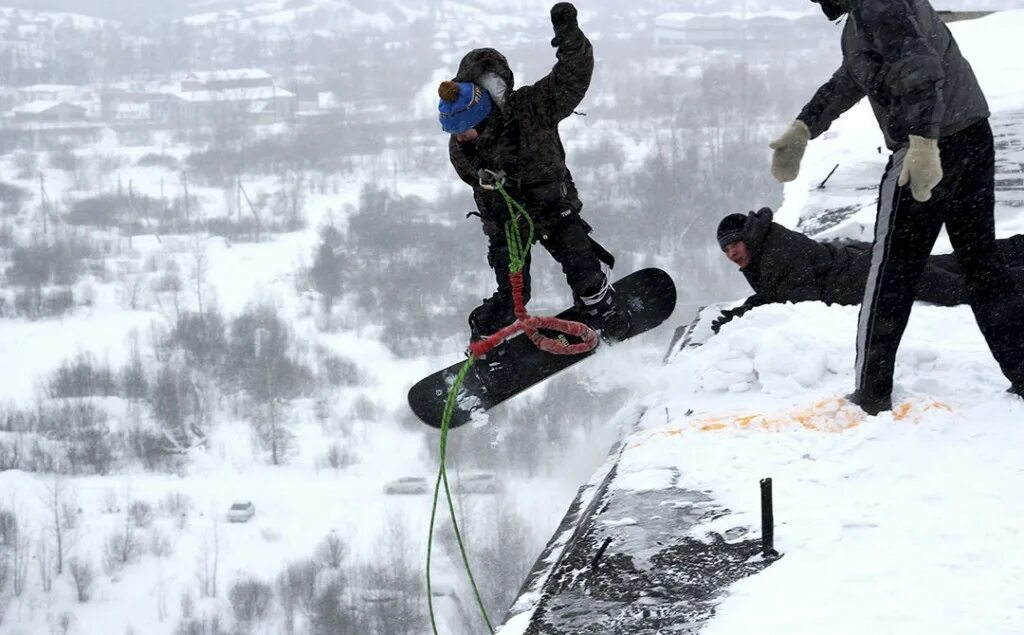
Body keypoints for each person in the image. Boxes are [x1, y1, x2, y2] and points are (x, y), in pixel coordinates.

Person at [767, 0, 1024, 414]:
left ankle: (871, 393)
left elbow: (921, 71)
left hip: (930, 147)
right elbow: (856, 75)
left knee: (890, 273)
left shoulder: (877, 4)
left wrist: (923, 142)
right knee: (982, 264)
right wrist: (805, 127)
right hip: (971, 135)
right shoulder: (869, 11)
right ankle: (1023, 370)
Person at [437, 2, 630, 385]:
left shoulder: (531, 109)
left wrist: (570, 39)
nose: (461, 138)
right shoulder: (462, 147)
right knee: (511, 297)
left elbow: (572, 78)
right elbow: (469, 176)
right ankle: (486, 345)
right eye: (455, 132)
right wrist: (494, 184)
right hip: (507, 222)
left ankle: (599, 308)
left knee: (583, 268)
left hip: (552, 206)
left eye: (465, 129)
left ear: (483, 114)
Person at [712, 208, 1024, 332]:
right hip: (869, 264)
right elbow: (779, 292)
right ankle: (1016, 248)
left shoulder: (777, 251)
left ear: (748, 237)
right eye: (726, 250)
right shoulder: (767, 247)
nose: (732, 254)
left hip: (877, 276)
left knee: (960, 288)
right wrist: (750, 307)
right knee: (953, 263)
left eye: (734, 245)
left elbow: (799, 299)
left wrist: (749, 310)